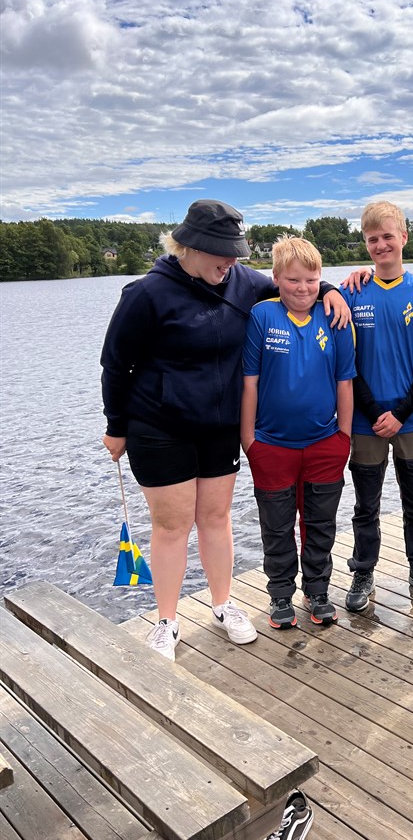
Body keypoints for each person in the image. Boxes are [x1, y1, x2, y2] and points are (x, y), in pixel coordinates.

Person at [101, 200, 349, 661]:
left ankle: (222, 605)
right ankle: (167, 622)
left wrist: (331, 289)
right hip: (159, 427)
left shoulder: (242, 281)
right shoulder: (146, 294)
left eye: (236, 253)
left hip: (219, 427)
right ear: (191, 247)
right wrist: (116, 427)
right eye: (223, 253)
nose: (232, 261)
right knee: (172, 526)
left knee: (216, 519)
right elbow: (115, 365)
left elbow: (294, 283)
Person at [339, 201, 413, 612]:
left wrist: (401, 413)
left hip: (412, 418)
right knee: (365, 506)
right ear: (366, 244)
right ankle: (363, 571)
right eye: (373, 239)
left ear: (404, 237)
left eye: (388, 236)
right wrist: (375, 413)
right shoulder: (351, 292)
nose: (381, 245)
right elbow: (347, 363)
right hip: (366, 421)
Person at [241, 236, 355, 628]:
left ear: (320, 279)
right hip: (271, 445)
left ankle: (318, 591)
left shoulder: (334, 315)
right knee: (276, 527)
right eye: (292, 280)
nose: (302, 288)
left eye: (311, 280)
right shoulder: (262, 316)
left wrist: (343, 437)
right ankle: (280, 595)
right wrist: (249, 441)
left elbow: (344, 382)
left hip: (325, 444)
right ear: (276, 279)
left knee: (320, 525)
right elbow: (250, 383)